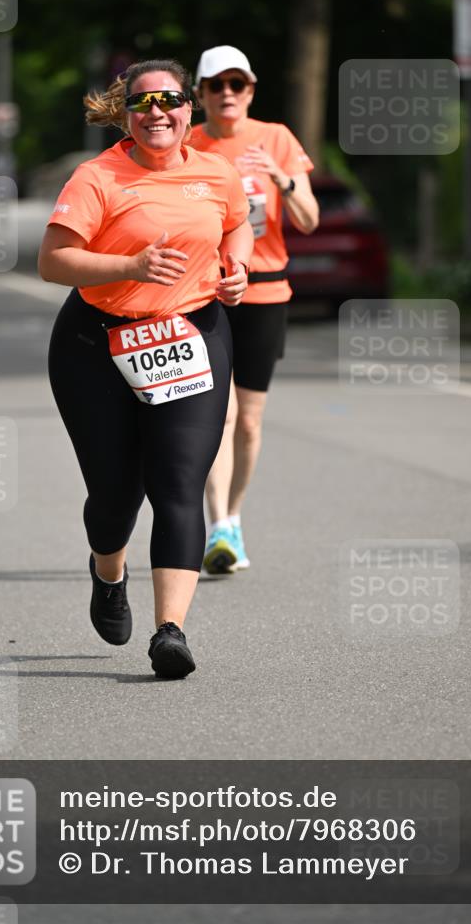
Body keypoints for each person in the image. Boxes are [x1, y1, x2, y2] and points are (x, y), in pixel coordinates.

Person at [38, 59, 253, 679]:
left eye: (170, 100)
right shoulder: (98, 176)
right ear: (126, 114)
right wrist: (130, 267)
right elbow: (53, 261)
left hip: (192, 334)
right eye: (142, 102)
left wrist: (237, 270)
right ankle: (109, 572)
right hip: (96, 343)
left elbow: (237, 225)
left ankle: (170, 632)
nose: (157, 112)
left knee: (178, 483)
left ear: (189, 107)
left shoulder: (216, 171)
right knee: (115, 496)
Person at [189, 46, 319, 574]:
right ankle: (218, 524)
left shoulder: (276, 138)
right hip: (207, 294)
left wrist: (280, 178)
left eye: (236, 84)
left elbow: (308, 219)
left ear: (250, 91)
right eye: (216, 85)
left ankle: (234, 519)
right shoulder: (186, 143)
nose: (227, 93)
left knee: (248, 420)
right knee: (217, 415)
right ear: (199, 94)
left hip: (265, 292)